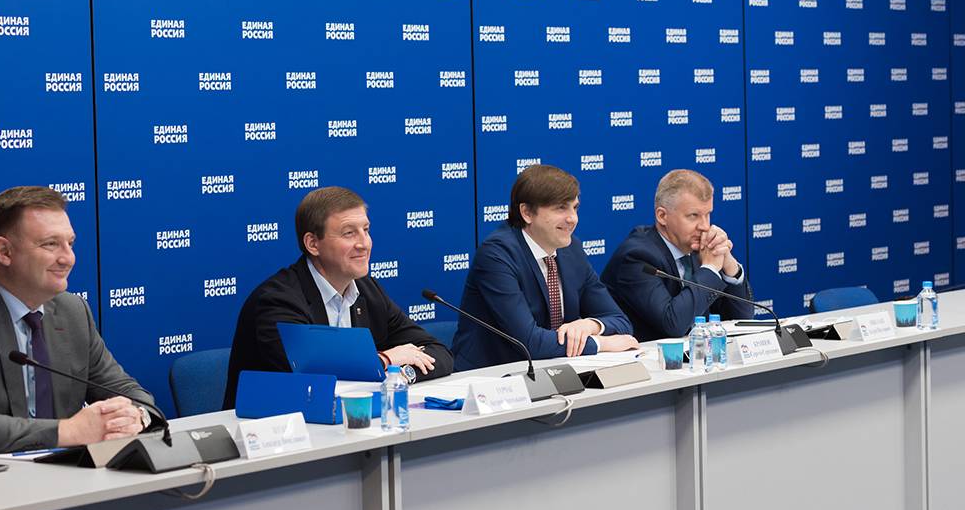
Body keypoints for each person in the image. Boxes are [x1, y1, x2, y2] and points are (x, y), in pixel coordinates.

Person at [0, 186, 156, 460]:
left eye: (70, 243)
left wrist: (137, 416)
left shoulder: (73, 312)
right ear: (4, 252)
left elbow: (131, 393)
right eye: (50, 244)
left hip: (59, 475)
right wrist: (70, 431)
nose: (68, 258)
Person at [223, 186, 454, 408]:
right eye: (349, 233)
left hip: (347, 423)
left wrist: (402, 375)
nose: (364, 244)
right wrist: (386, 360)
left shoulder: (367, 290)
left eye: (366, 230)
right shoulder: (277, 300)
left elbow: (438, 352)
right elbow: (313, 379)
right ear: (313, 244)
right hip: (272, 427)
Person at [451, 165, 636, 370]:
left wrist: (590, 325)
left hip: (554, 372)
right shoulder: (497, 254)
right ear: (527, 213)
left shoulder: (571, 250)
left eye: (575, 207)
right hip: (490, 377)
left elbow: (621, 321)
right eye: (561, 208)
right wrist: (600, 343)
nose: (573, 218)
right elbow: (530, 343)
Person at [600, 169, 753, 341]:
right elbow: (673, 324)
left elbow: (741, 320)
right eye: (693, 216)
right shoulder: (636, 257)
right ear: (662, 216)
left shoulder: (698, 250)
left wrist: (729, 264)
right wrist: (710, 269)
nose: (704, 226)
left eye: (708, 214)